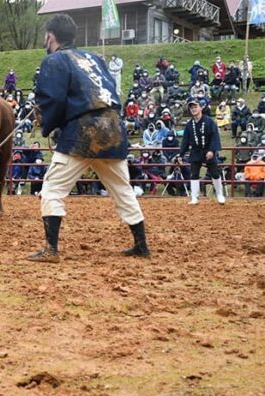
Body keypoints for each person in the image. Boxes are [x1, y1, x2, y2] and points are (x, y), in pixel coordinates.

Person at [27, 13, 150, 263]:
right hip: (113, 128)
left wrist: (48, 125)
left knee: (52, 189)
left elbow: (52, 99)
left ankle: (51, 249)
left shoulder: (54, 60)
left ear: (51, 37)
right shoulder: (95, 58)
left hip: (82, 133)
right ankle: (141, 245)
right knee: (122, 190)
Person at [179, 97, 225, 205]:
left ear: (201, 107)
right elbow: (185, 141)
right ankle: (194, 197)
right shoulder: (189, 125)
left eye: (195, 106)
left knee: (214, 173)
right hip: (195, 151)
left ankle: (219, 194)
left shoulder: (209, 122)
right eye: (191, 107)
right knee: (194, 173)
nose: (193, 109)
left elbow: (215, 137)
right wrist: (181, 155)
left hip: (209, 150)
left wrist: (212, 150)